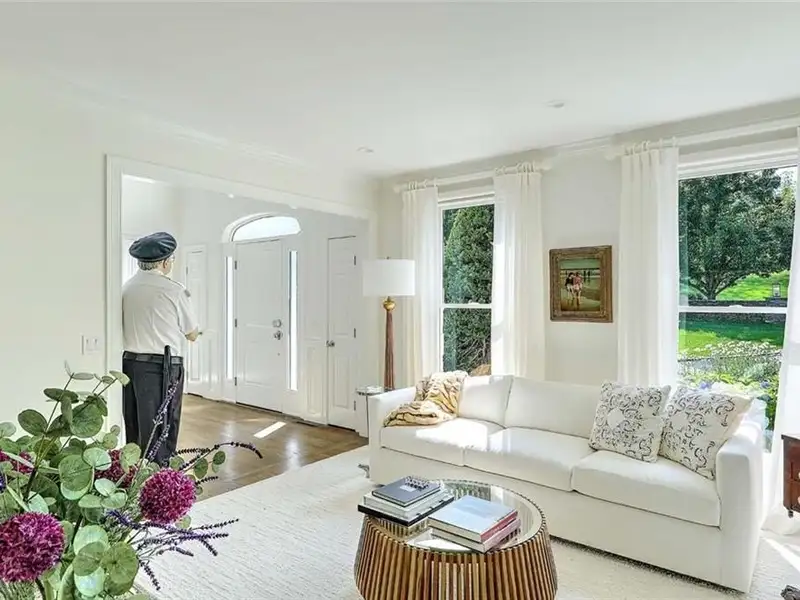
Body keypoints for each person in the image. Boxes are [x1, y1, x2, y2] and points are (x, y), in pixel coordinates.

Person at [121, 231, 200, 464]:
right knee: (162, 426)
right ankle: (160, 478)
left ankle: (134, 473)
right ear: (165, 262)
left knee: (135, 424)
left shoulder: (127, 287)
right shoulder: (174, 290)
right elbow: (191, 333)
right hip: (161, 368)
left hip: (129, 364)